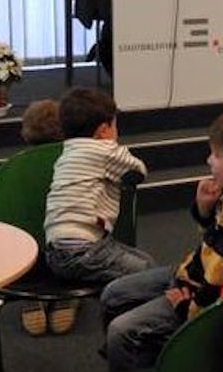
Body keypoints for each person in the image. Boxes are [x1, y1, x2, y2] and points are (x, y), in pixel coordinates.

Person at [101, 105, 223, 371]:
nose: (209, 160)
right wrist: (205, 209)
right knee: (113, 294)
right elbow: (219, 243)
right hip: (191, 273)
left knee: (121, 330)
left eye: (217, 155)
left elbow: (218, 277)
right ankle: (139, 355)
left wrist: (185, 308)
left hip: (198, 296)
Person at [43, 87, 155, 284]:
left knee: (144, 260)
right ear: (104, 130)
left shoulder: (66, 153)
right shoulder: (104, 150)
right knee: (149, 273)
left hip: (56, 252)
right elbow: (138, 170)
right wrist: (116, 149)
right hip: (86, 251)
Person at [18, 99, 79, 337]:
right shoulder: (77, 164)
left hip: (28, 255)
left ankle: (31, 296)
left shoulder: (13, 170)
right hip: (71, 251)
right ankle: (68, 295)